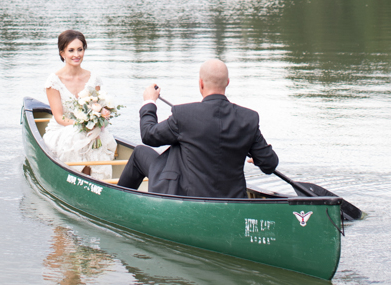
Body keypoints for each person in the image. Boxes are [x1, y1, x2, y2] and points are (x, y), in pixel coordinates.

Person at [117, 58, 278, 197]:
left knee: (139, 153)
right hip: (233, 200)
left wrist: (149, 102)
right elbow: (270, 164)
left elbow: (148, 135)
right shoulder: (248, 119)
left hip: (190, 201)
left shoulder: (184, 115)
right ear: (227, 83)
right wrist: (257, 157)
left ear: (200, 83)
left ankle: (117, 202)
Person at [43, 29, 117, 182]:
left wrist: (97, 121)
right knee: (78, 135)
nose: (76, 54)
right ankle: (78, 178)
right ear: (62, 53)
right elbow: (60, 118)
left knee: (96, 137)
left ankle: (96, 181)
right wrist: (82, 125)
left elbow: (98, 107)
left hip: (88, 127)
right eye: (71, 50)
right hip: (62, 129)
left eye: (80, 49)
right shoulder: (54, 81)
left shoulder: (93, 79)